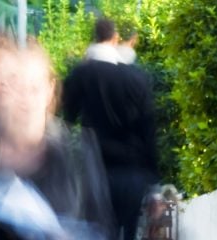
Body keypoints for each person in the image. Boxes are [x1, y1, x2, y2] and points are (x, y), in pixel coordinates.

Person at [0, 28, 114, 240]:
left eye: (33, 87)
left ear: (50, 89)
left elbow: (102, 226)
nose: (25, 99)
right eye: (14, 86)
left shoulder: (76, 150)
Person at [62, 19, 160, 240]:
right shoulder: (138, 78)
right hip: (134, 174)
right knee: (130, 232)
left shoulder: (82, 74)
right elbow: (149, 132)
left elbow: (66, 121)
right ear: (115, 38)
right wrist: (155, 187)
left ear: (95, 36)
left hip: (97, 170)